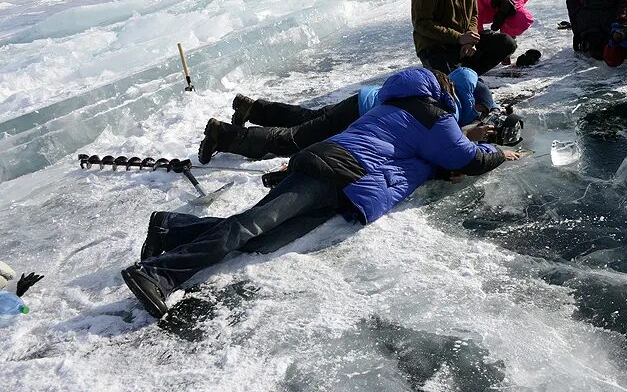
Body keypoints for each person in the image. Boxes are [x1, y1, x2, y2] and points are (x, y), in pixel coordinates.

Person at [122, 68, 522, 318]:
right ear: (448, 92)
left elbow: (417, 155)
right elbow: (463, 157)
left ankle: (170, 229)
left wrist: (451, 157)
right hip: (328, 168)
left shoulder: (408, 108)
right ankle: (158, 273)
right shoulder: (432, 114)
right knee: (251, 225)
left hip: (346, 184)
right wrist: (498, 152)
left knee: (263, 240)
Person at [197, 67, 501, 163]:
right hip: (363, 116)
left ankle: (254, 108)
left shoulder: (439, 87)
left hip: (363, 103)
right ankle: (223, 135)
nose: (481, 115)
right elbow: (442, 139)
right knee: (295, 141)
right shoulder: (453, 101)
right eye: (482, 110)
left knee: (307, 119)